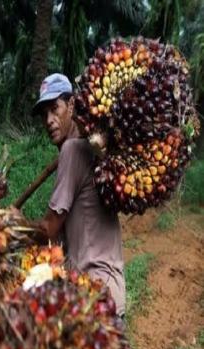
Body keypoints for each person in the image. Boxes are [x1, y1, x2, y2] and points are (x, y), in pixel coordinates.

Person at [30, 73, 126, 318]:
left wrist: (15, 224)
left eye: (55, 109)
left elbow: (49, 229)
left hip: (96, 298)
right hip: (106, 295)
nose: (49, 120)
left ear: (71, 105)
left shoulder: (73, 150)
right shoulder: (88, 149)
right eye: (44, 115)